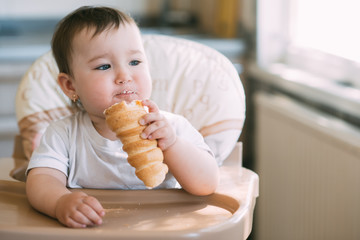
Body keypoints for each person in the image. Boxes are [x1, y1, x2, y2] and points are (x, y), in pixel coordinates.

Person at [25, 6, 219, 228]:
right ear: (70, 86)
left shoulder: (172, 127)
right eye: (104, 66)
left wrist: (172, 145)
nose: (124, 76)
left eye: (134, 62)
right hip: (93, 228)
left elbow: (207, 184)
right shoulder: (63, 134)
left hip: (161, 227)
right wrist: (60, 201)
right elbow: (41, 181)